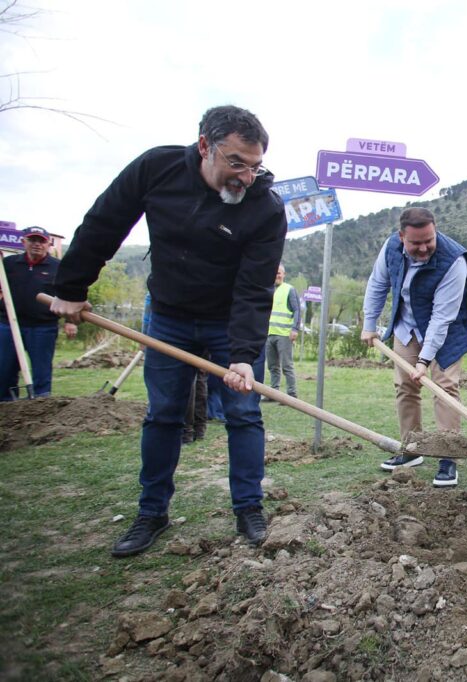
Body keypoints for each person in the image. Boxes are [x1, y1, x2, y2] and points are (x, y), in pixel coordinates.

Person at [51, 105, 287, 557]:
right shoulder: (156, 169)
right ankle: (151, 513)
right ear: (204, 146)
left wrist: (242, 354)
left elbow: (255, 288)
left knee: (243, 413)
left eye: (255, 166)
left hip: (227, 322)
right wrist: (71, 288)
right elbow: (105, 223)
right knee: (163, 414)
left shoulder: (265, 207)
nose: (245, 177)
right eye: (236, 163)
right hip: (168, 317)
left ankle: (249, 509)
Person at [360, 207, 467, 488]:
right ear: (402, 237)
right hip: (407, 327)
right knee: (405, 386)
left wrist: (424, 361)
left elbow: (442, 317)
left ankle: (447, 456)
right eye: (416, 243)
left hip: (447, 331)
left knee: (445, 388)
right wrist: (369, 324)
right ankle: (412, 449)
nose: (424, 248)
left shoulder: (454, 261)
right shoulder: (390, 248)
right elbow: (377, 284)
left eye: (429, 240)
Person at [1, 226, 77, 400]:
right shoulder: (9, 264)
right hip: (9, 325)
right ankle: (6, 406)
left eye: (41, 241)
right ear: (23, 242)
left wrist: (70, 321)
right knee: (4, 369)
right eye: (32, 240)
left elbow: (68, 295)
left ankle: (41, 405)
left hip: (43, 327)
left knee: (41, 371)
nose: (37, 244)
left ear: (48, 244)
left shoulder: (57, 267)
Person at [265, 264, 300, 400]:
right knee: (272, 366)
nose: (277, 275)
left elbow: (297, 310)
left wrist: (295, 329)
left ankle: (291, 394)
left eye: (279, 273)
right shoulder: (269, 290)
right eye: (275, 273)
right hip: (270, 334)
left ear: (284, 274)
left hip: (284, 334)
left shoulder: (289, 289)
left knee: (286, 366)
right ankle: (274, 393)